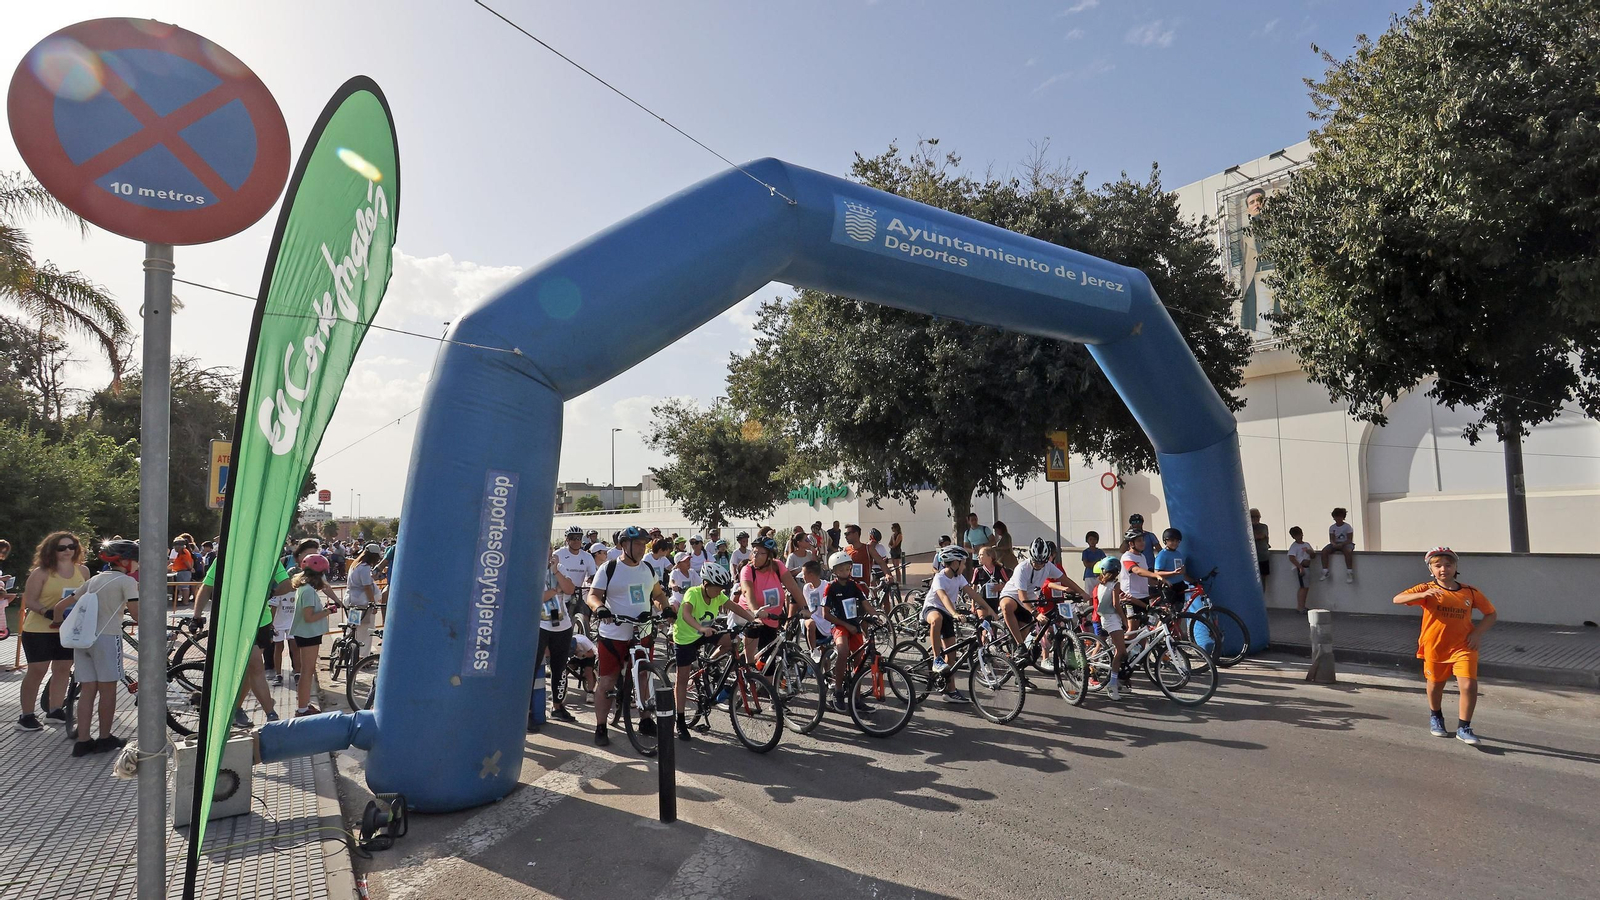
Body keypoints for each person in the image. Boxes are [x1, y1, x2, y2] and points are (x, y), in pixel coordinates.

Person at [1393, 548, 1496, 746]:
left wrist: (1477, 633)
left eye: (1448, 565)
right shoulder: (1426, 589)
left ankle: (1464, 727)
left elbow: (1491, 614)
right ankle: (1436, 716)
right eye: (1438, 565)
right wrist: (1423, 594)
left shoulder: (1470, 592)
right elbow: (1397, 599)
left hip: (1463, 647)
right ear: (1431, 569)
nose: (1443, 569)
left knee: (1468, 685)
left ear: (1455, 567)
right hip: (1435, 648)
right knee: (1435, 686)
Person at [54, 539, 141, 755]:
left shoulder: (94, 579)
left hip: (83, 640)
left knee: (88, 691)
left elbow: (61, 606)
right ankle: (105, 738)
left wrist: (56, 621)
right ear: (126, 561)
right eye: (137, 560)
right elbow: (137, 613)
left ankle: (83, 741)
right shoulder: (126, 581)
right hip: (108, 638)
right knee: (108, 690)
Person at [588, 525, 668, 747]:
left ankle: (645, 719)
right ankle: (601, 726)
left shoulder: (648, 569)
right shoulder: (609, 568)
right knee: (607, 681)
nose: (643, 548)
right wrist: (600, 608)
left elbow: (658, 594)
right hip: (614, 634)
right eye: (639, 544)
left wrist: (665, 607)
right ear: (624, 545)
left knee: (644, 675)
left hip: (642, 631)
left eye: (645, 544)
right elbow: (593, 595)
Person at [15, 531, 89, 731]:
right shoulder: (41, 572)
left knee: (63, 668)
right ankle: (26, 715)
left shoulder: (82, 571)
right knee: (37, 671)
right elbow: (29, 600)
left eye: (71, 547)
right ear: (51, 550)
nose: (67, 551)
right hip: (39, 629)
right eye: (62, 547)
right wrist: (45, 612)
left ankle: (55, 710)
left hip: (67, 629)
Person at [671, 561, 752, 741]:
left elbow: (735, 607)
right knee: (682, 679)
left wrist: (752, 619)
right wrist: (700, 628)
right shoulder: (693, 593)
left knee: (732, 642)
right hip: (685, 637)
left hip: (704, 632)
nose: (719, 593)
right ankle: (680, 721)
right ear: (706, 584)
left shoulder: (718, 596)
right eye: (717, 589)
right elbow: (685, 614)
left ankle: (710, 667)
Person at [998, 538, 1083, 659]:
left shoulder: (1048, 566)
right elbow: (1022, 596)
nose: (1039, 565)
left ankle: (1017, 667)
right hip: (1013, 596)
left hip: (1029, 601)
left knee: (1021, 653)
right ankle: (1020, 645)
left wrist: (1082, 593)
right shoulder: (1022, 568)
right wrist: (1035, 613)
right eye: (1036, 562)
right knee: (1007, 607)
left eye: (1042, 563)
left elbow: (1065, 579)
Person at [921, 546, 980, 702]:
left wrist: (989, 609)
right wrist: (955, 613)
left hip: (947, 613)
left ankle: (950, 691)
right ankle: (936, 659)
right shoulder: (939, 577)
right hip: (932, 609)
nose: (965, 566)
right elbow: (943, 597)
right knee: (936, 619)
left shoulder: (958, 578)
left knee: (952, 657)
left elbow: (972, 593)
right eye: (963, 563)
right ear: (955, 563)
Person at [822, 550, 878, 712]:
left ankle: (856, 697)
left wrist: (878, 616)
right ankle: (838, 691)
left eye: (847, 569)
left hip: (855, 625)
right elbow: (825, 614)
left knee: (859, 661)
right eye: (841, 570)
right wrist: (845, 625)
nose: (845, 572)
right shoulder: (830, 588)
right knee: (843, 651)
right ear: (834, 571)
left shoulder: (854, 585)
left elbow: (865, 603)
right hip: (840, 626)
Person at [738, 535, 804, 666]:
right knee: (750, 658)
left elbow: (793, 587)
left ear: (769, 556)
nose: (755, 556)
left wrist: (806, 608)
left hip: (771, 617)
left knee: (769, 661)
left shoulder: (778, 566)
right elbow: (747, 591)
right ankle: (748, 668)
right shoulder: (748, 569)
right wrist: (755, 611)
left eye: (760, 553)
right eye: (754, 552)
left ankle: (765, 685)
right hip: (748, 613)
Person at [531, 550, 579, 732]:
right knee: (533, 668)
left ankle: (558, 706)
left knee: (560, 668)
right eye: (545, 549)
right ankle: (528, 713)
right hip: (541, 625)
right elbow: (536, 598)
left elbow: (569, 589)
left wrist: (556, 571)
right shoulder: (531, 569)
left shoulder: (558, 568)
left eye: (550, 550)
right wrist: (554, 590)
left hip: (562, 624)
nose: (547, 553)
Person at [289, 554, 340, 716]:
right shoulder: (309, 591)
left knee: (307, 671)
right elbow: (309, 617)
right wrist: (328, 611)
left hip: (306, 634)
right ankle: (302, 708)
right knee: (307, 671)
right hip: (308, 634)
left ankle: (304, 705)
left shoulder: (303, 589)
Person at [1091, 557, 1133, 700]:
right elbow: (1116, 604)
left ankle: (1119, 680)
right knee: (1121, 651)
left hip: (1106, 618)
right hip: (1112, 619)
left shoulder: (1102, 585)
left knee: (1121, 650)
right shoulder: (1115, 584)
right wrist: (1125, 620)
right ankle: (1112, 683)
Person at [555, 526, 599, 634]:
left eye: (578, 538)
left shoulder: (587, 557)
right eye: (572, 538)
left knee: (585, 613)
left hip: (577, 591)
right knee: (554, 622)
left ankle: (584, 637)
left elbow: (593, 575)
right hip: (559, 593)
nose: (576, 541)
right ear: (567, 539)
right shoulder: (558, 554)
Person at [345, 543, 381, 657]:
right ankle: (362, 656)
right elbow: (367, 587)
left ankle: (351, 653)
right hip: (363, 603)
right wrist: (372, 603)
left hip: (353, 601)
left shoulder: (355, 565)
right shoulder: (365, 568)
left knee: (354, 628)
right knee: (365, 630)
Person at [799, 559, 830, 664]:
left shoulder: (826, 586)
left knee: (825, 653)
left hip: (825, 618)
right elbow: (808, 606)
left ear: (811, 575)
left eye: (804, 574)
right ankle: (813, 651)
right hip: (812, 618)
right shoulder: (806, 588)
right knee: (810, 624)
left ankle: (827, 674)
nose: (802, 577)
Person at [1153, 528, 1189, 609]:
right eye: (1172, 540)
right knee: (1169, 613)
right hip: (1168, 587)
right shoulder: (1162, 554)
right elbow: (1157, 573)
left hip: (1179, 586)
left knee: (1179, 610)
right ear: (1165, 541)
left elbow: (1182, 573)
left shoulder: (1179, 554)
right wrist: (1173, 573)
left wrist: (1193, 581)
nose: (1175, 543)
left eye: (1177, 541)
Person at [1320, 508, 1356, 583]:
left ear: (1343, 517)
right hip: (1336, 543)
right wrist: (1334, 544)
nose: (1338, 518)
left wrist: (1342, 544)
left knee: (1347, 551)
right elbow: (1332, 539)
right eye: (1336, 517)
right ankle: (1325, 571)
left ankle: (1349, 572)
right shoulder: (1332, 527)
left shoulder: (1347, 527)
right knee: (1324, 551)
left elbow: (1349, 539)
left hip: (1346, 543)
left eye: (1340, 516)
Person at [1287, 527, 1314, 613]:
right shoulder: (1294, 546)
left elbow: (1313, 556)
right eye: (1297, 535)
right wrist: (1300, 567)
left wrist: (1311, 553)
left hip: (1307, 567)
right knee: (1303, 587)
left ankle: (1303, 606)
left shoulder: (1306, 544)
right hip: (1301, 567)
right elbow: (1291, 557)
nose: (1299, 536)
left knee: (1306, 587)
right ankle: (1300, 607)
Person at [1250, 508, 1271, 584]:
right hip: (1250, 558)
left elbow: (1260, 535)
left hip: (1263, 556)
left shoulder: (1263, 527)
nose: (1255, 518)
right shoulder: (1245, 527)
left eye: (1257, 516)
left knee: (1262, 579)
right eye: (1253, 516)